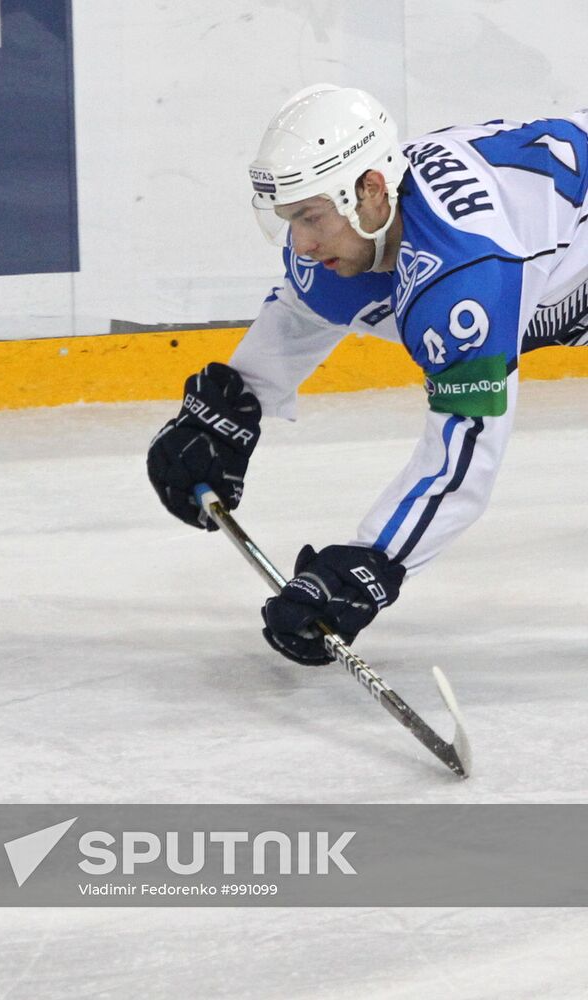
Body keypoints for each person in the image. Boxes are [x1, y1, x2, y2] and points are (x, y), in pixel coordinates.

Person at [147, 83, 588, 665]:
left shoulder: (464, 278)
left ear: (372, 191)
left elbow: (466, 454)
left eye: (310, 218)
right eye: (290, 220)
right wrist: (236, 401)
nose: (300, 245)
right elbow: (308, 307)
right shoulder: (365, 224)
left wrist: (373, 560)